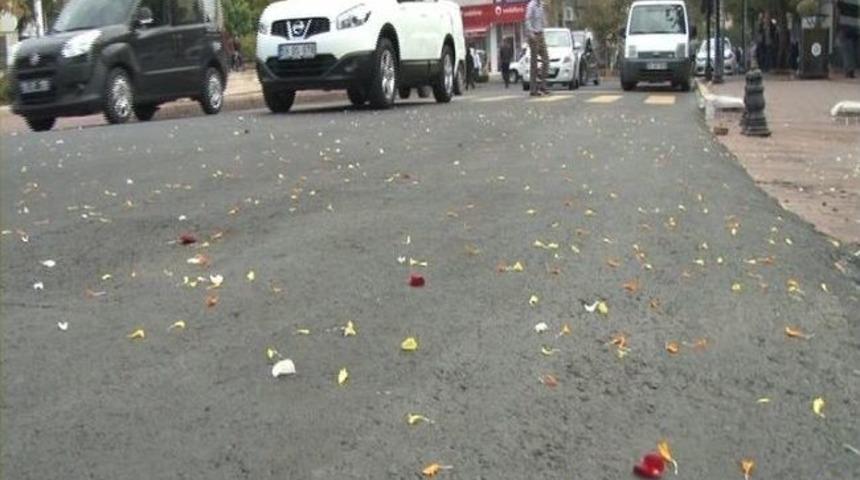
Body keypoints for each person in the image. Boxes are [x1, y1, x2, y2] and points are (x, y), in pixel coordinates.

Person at [525, 0, 550, 96]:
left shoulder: (541, 6)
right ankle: (533, 89)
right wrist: (531, 34)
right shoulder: (531, 5)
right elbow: (527, 20)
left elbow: (544, 20)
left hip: (541, 34)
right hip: (533, 35)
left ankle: (543, 86)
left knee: (546, 60)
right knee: (534, 63)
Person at [837, 0, 858, 78]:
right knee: (855, 48)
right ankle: (851, 70)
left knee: (847, 49)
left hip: (846, 25)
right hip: (856, 25)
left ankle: (850, 71)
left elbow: (839, 6)